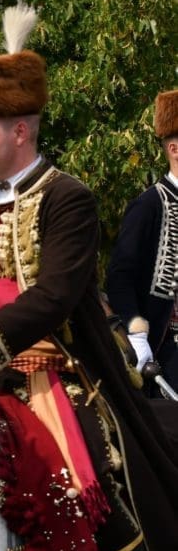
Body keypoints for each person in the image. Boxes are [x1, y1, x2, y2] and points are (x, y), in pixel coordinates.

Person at [0, 3, 178, 551]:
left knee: (95, 476)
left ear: (19, 131)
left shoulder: (68, 198)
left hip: (50, 375)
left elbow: (52, 299)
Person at [106, 89, 178, 395]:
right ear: (174, 149)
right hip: (167, 348)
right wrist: (136, 331)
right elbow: (119, 275)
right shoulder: (150, 205)